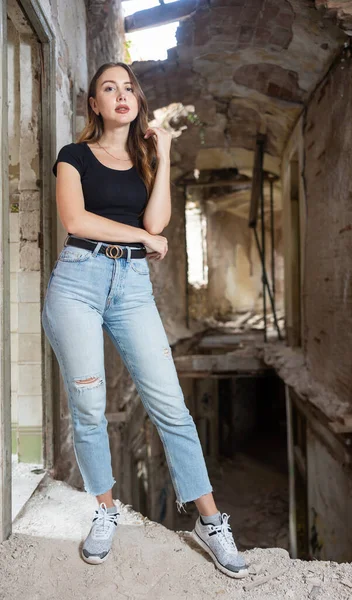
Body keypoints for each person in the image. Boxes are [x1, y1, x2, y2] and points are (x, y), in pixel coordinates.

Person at [41, 61, 248, 578]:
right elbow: (76, 220)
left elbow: (156, 221)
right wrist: (141, 238)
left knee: (172, 408)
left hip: (132, 290)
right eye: (108, 89)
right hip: (78, 285)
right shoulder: (74, 156)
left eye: (128, 87)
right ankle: (105, 511)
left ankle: (210, 520)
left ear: (138, 102)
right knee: (89, 408)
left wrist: (167, 153)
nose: (120, 95)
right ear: (94, 104)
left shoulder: (145, 160)